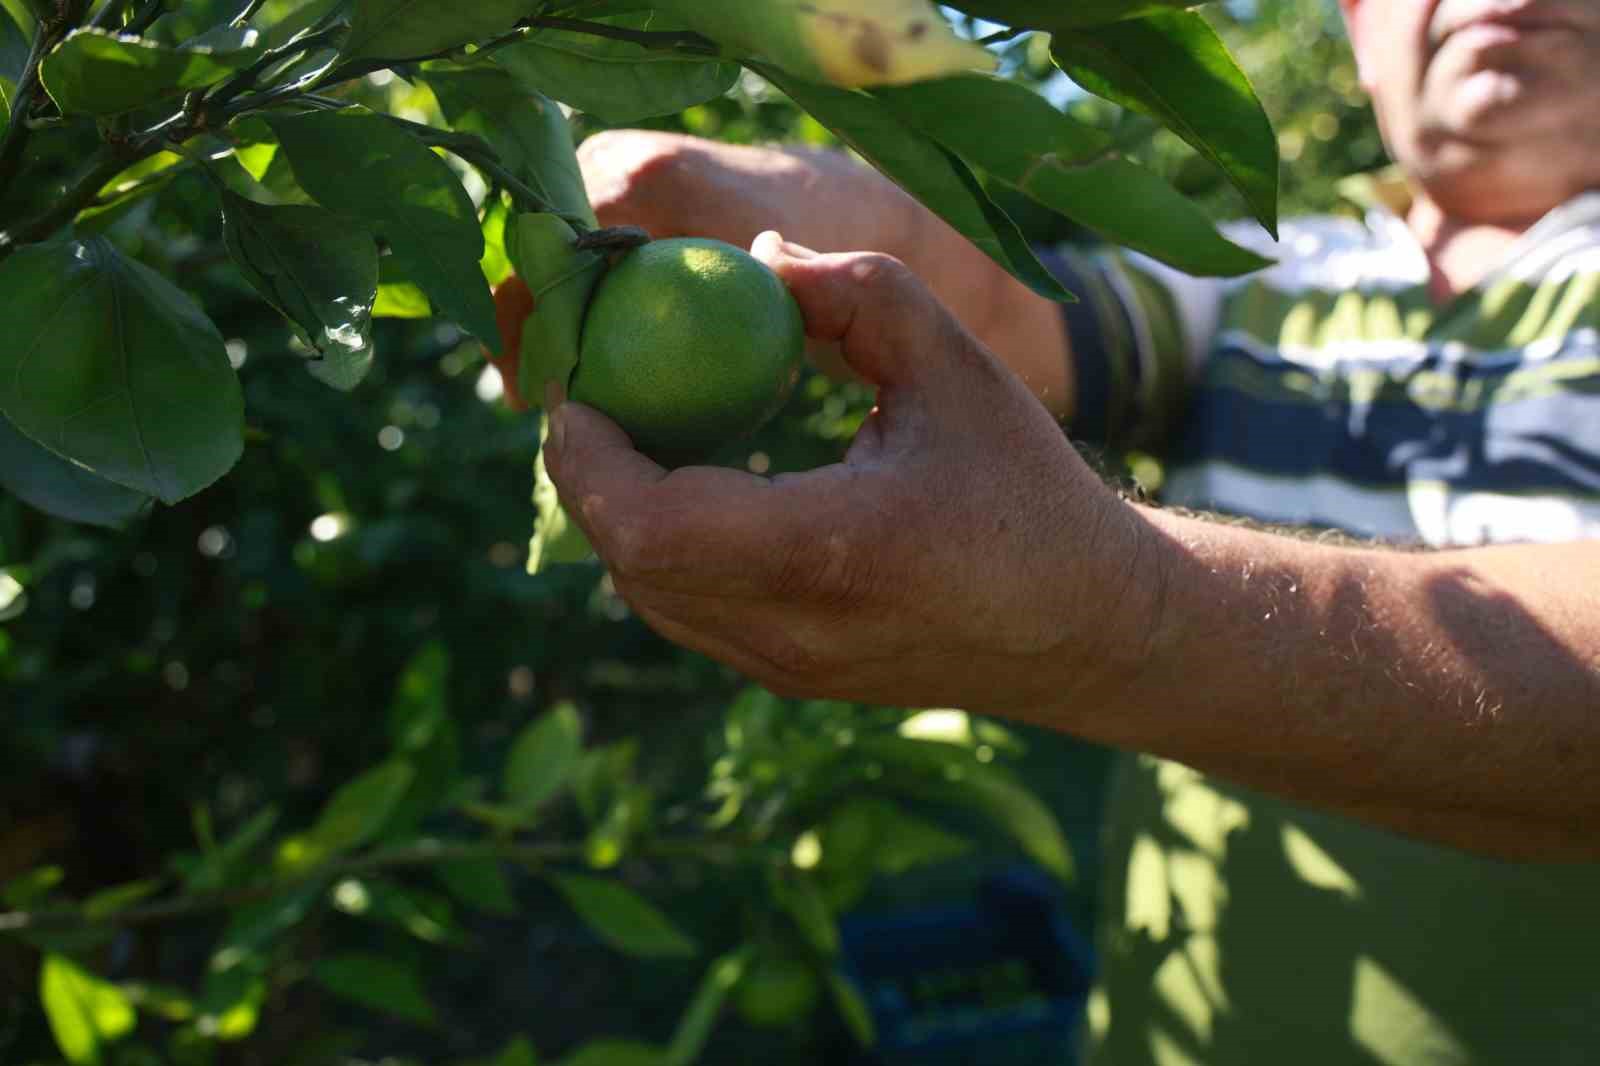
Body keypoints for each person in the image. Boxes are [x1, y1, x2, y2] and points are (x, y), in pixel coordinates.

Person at [518, 0, 1600, 1060]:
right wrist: (769, 204)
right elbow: (991, 318)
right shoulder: (1269, 276)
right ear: (1362, 33)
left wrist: (1120, 615)